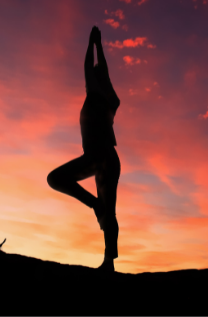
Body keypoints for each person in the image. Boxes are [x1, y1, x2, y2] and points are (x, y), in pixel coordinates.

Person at [47, 26, 121, 273]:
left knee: (55, 178)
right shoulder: (111, 99)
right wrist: (99, 46)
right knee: (108, 209)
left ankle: (95, 207)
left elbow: (92, 68)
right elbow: (102, 72)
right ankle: (109, 262)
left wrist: (93, 45)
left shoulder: (98, 93)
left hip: (99, 156)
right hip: (108, 158)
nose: (92, 76)